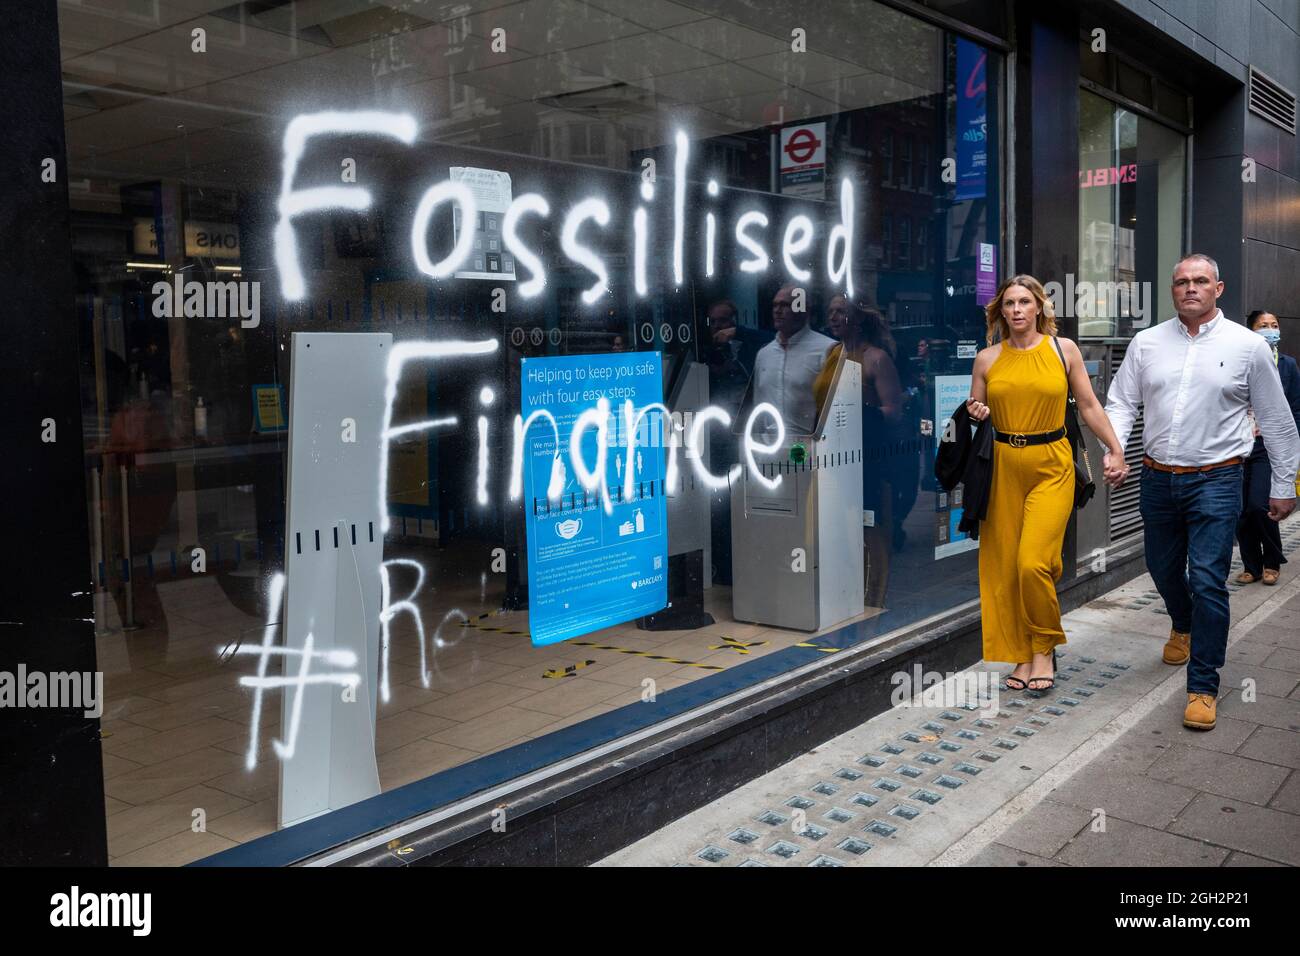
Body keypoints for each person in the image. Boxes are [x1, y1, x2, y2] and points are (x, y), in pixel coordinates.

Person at [1106, 255, 1300, 731]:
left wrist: (1283, 484)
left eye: (1199, 281)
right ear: (1172, 290)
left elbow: (1276, 419)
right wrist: (1114, 450)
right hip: (1156, 478)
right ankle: (1184, 623)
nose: (1189, 288)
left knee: (1210, 579)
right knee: (1162, 567)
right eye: (1180, 282)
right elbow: (1121, 402)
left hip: (1218, 479)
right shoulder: (1146, 342)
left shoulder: (1247, 346)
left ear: (1218, 287)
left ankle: (1203, 685)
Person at [966, 276, 1126, 691]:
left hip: (1051, 464)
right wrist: (976, 410)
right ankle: (1020, 655)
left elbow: (1089, 405)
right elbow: (974, 409)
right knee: (1004, 567)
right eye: (1009, 304)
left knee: (1033, 562)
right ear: (1000, 311)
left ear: (1039, 307)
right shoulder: (986, 359)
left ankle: (1043, 648)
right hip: (1001, 464)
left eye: (1024, 302)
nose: (1017, 310)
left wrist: (1115, 449)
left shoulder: (1063, 349)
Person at [813, 296, 903, 607]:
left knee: (871, 528)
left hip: (868, 458)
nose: (834, 317)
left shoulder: (876, 358)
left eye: (841, 311)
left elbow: (894, 411)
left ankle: (873, 599)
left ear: (859, 318)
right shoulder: (832, 353)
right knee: (836, 525)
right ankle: (843, 593)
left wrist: (861, 412)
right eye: (831, 311)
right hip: (830, 455)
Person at [1236, 310, 1300, 586]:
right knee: (1239, 509)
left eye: (1274, 325)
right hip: (1238, 445)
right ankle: (1252, 565)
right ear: (1250, 331)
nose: (1270, 329)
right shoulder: (1239, 361)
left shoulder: (1288, 364)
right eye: (1263, 325)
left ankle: (1272, 560)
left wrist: (1291, 447)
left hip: (1267, 446)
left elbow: (1295, 409)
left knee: (1259, 505)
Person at [752, 284, 835, 436]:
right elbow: (758, 405)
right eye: (775, 305)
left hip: (811, 449)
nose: (777, 310)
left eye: (785, 305)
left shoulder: (827, 350)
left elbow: (835, 408)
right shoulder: (764, 355)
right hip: (768, 449)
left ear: (804, 310)